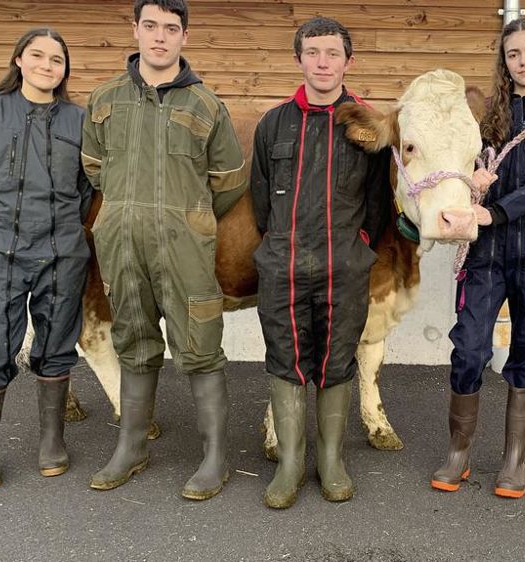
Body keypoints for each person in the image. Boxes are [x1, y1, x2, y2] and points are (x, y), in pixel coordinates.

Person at [80, 0, 247, 501]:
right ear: (135, 30)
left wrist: (186, 216)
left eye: (170, 28)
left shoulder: (206, 105)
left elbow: (229, 181)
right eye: (150, 26)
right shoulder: (105, 98)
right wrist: (126, 212)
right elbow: (94, 168)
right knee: (132, 339)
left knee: (199, 345)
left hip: (185, 247)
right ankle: (131, 447)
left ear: (184, 37)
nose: (159, 37)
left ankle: (214, 457)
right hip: (122, 242)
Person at [430, 17, 525, 499]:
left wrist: (494, 212)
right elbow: (457, 160)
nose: (523, 61)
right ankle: (459, 453)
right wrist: (468, 180)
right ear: (504, 61)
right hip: (485, 255)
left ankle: (514, 460)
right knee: (469, 346)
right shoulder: (484, 115)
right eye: (513, 54)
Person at [250, 16, 390, 509]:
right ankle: (290, 461)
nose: (323, 62)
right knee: (285, 358)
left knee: (335, 360)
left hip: (343, 266)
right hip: (283, 264)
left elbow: (378, 200)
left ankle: (331, 459)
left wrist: (358, 246)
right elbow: (261, 195)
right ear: (299, 60)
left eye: (333, 53)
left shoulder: (366, 124)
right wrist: (278, 246)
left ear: (348, 61)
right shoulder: (273, 124)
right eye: (313, 53)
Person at [0, 28, 92, 489]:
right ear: (19, 60)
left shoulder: (80, 120)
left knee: (57, 344)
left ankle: (52, 441)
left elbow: (87, 186)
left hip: (61, 250)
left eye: (57, 59)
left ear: (64, 69)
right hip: (1, 250)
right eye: (37, 55)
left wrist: (63, 230)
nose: (46, 65)